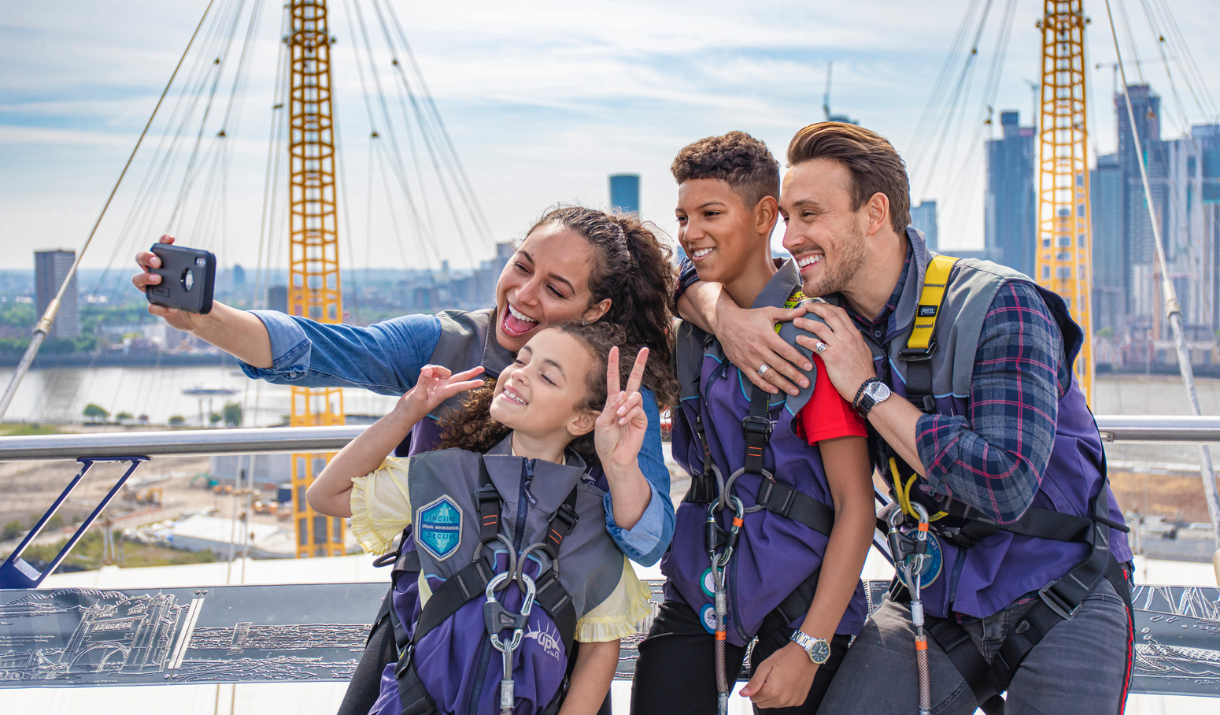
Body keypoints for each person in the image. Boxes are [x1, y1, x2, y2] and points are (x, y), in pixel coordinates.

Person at [132, 207, 678, 713]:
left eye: (556, 289)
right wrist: (205, 318)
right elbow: (323, 347)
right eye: (521, 267)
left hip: (549, 644)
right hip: (431, 618)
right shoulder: (447, 344)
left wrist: (621, 461)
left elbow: (645, 541)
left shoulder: (613, 393)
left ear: (597, 309)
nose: (525, 295)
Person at [679, 122, 1134, 714]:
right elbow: (685, 276)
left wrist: (865, 388)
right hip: (939, 591)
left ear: (874, 213)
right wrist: (726, 320)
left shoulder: (999, 304)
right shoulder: (824, 313)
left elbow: (1005, 486)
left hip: (1061, 584)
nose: (789, 237)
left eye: (810, 214)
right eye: (787, 216)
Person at [630, 132, 874, 715]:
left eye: (711, 213)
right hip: (704, 575)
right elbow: (653, 280)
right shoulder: (689, 330)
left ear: (766, 215)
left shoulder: (813, 336)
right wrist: (717, 313)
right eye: (683, 216)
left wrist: (809, 647)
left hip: (805, 591)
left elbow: (855, 506)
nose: (691, 232)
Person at [307, 322, 654, 715]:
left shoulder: (594, 521)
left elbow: (599, 649)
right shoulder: (441, 478)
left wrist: (620, 463)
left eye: (546, 376)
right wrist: (406, 413)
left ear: (580, 421)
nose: (520, 372)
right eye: (521, 359)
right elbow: (326, 494)